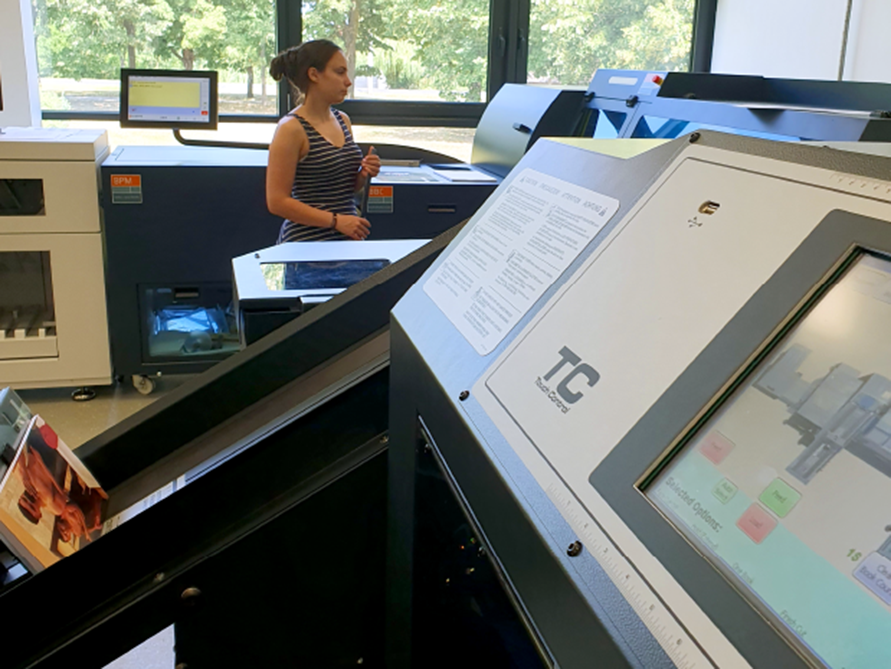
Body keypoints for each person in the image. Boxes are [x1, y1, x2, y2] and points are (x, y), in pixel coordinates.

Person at [267, 40, 381, 243]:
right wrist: (335, 221)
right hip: (306, 244)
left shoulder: (343, 120)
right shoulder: (291, 128)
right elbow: (277, 202)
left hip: (347, 239)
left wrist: (364, 174)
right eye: (339, 72)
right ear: (314, 75)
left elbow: (346, 188)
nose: (348, 82)